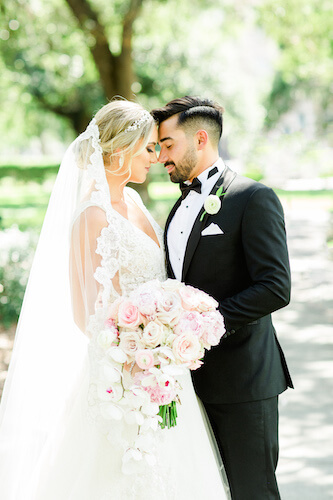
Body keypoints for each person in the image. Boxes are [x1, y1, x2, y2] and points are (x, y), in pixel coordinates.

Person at [0, 99, 229, 499]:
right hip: (124, 380)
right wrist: (140, 346)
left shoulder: (135, 201)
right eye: (148, 148)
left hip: (164, 371)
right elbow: (84, 313)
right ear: (120, 150)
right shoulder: (92, 216)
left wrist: (170, 332)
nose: (155, 158)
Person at [152, 96, 293, 500]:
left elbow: (275, 286)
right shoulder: (180, 205)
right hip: (186, 384)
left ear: (200, 139)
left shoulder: (253, 198)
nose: (162, 155)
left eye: (167, 144)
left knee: (253, 492)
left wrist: (203, 325)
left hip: (244, 380)